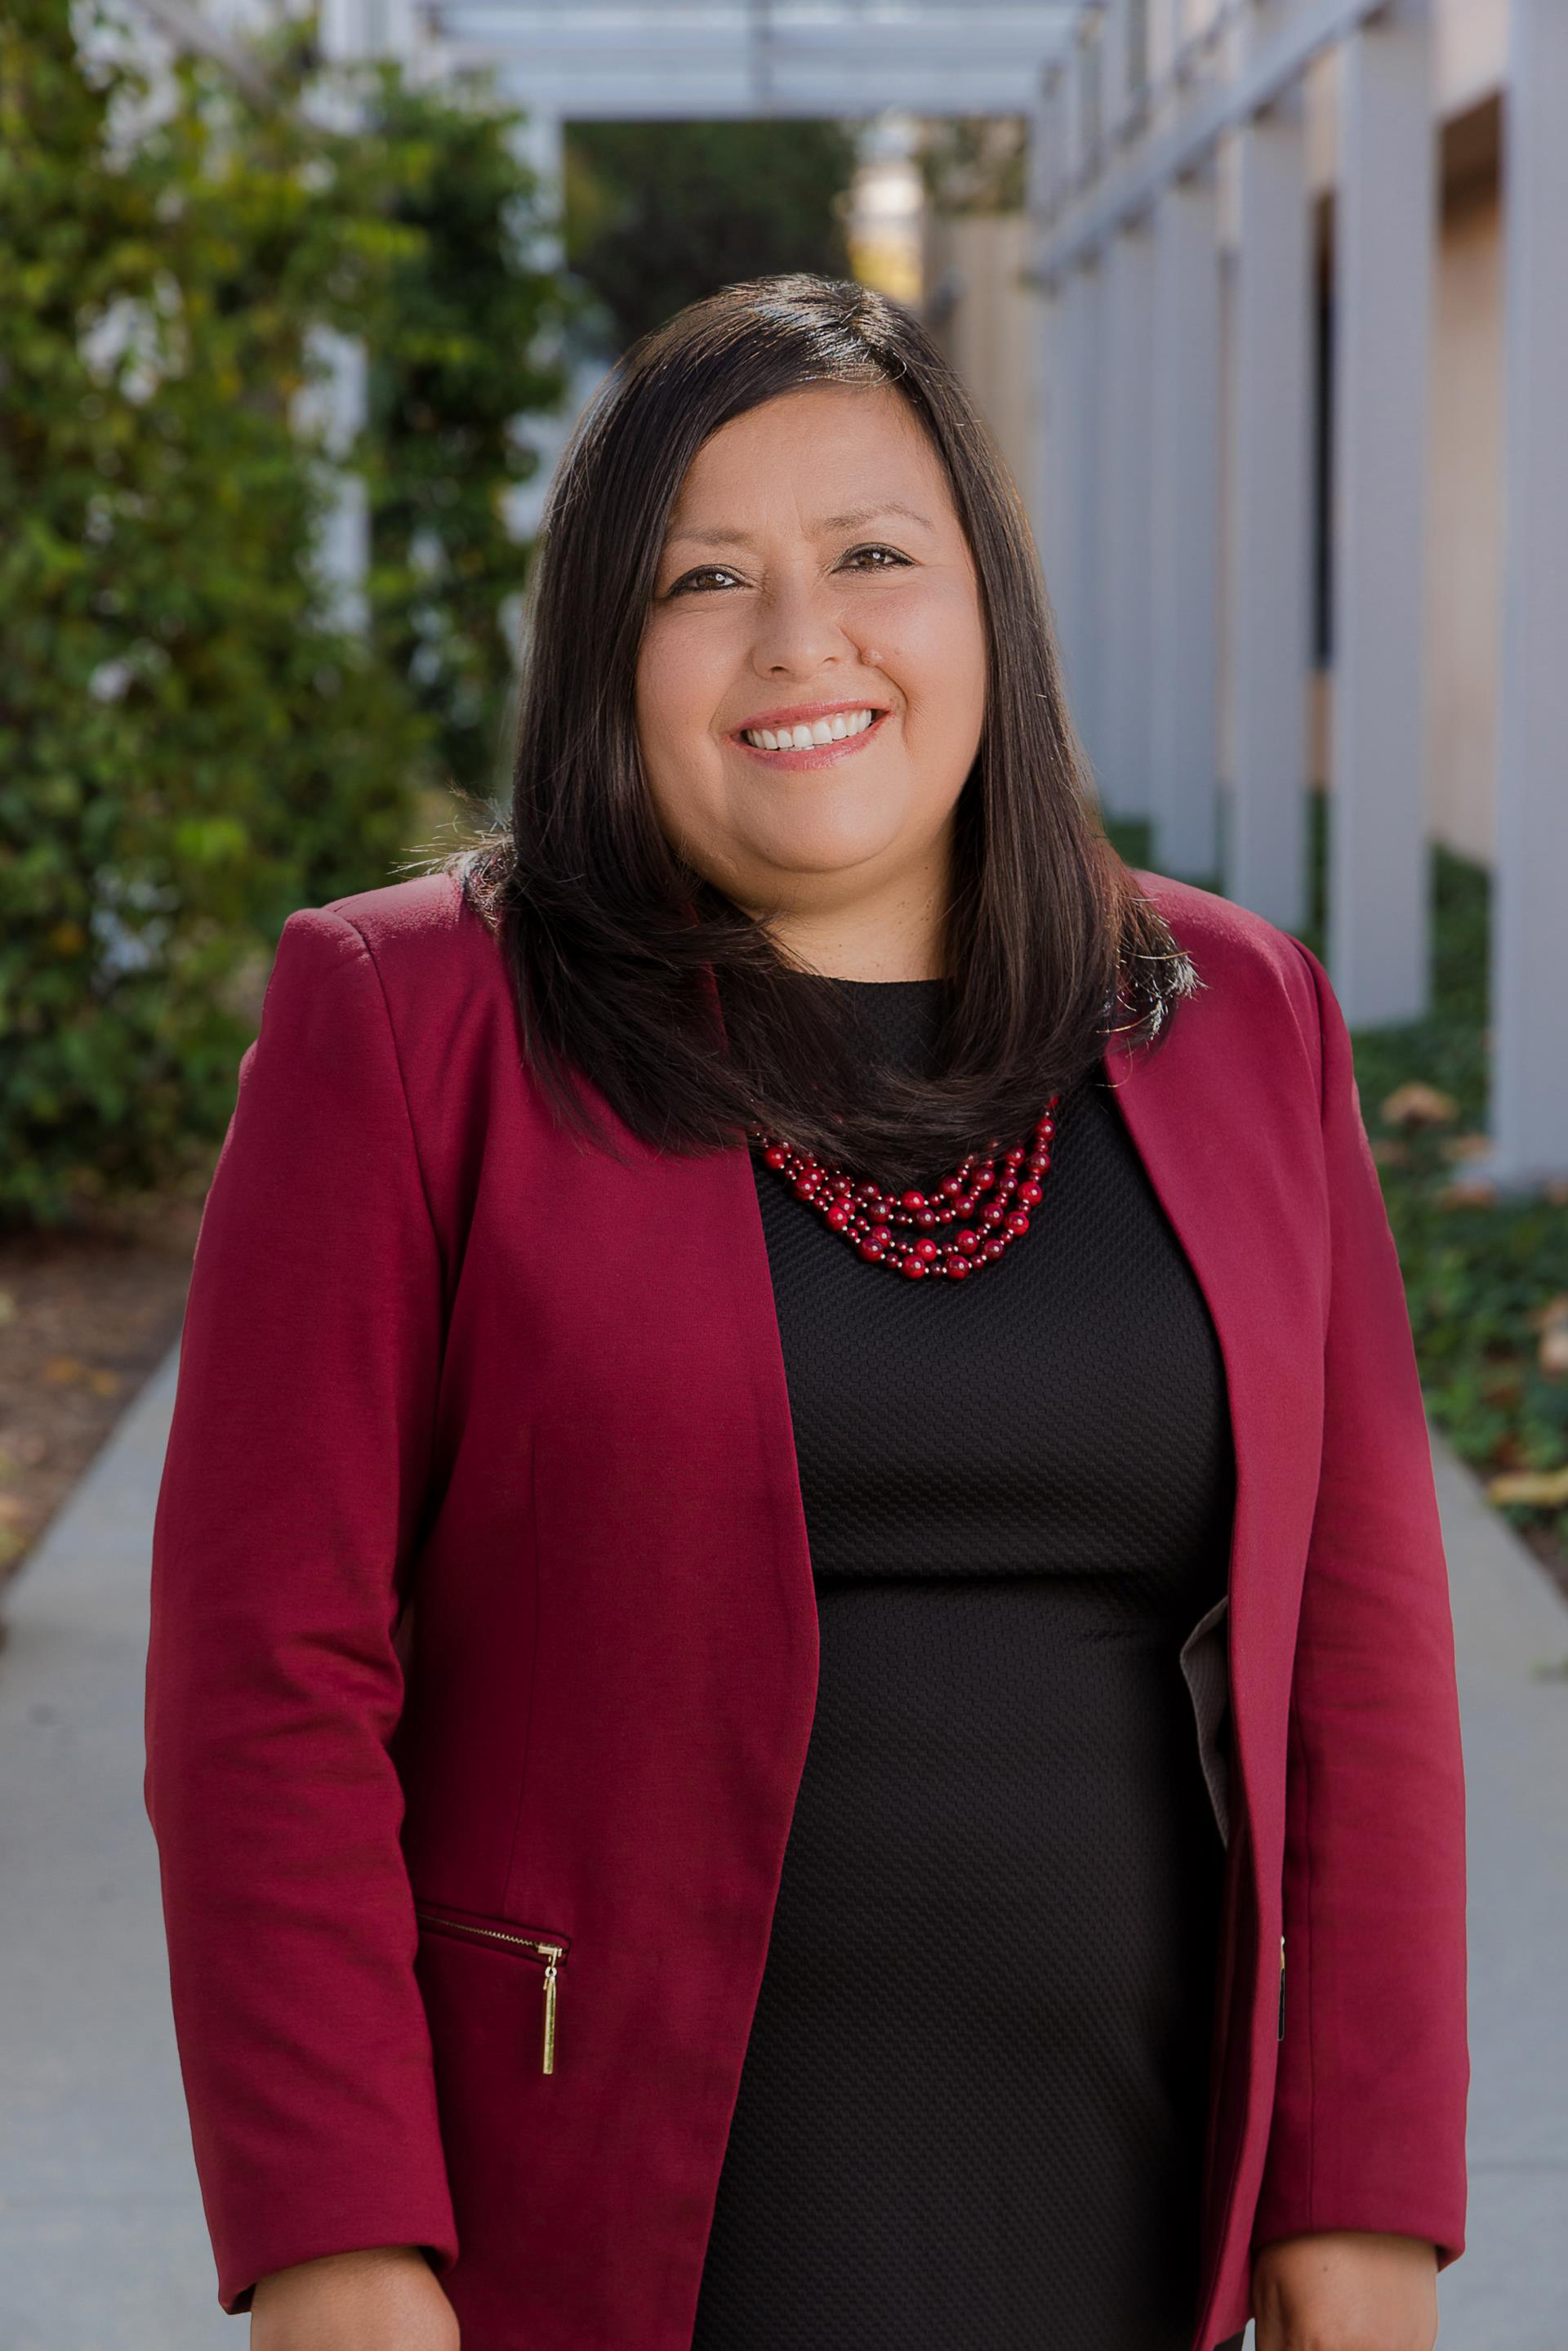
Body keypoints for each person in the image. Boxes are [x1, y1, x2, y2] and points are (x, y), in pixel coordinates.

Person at [144, 274, 1468, 2351]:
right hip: (598, 2211)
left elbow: (1367, 1650)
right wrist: (335, 2234)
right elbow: (265, 1670)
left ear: (986, 612)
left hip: (1137, 2198)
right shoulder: (409, 1019)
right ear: (607, 649)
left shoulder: (1241, 1016)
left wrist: (1366, 2178)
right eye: (704, 578)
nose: (801, 641)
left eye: (873, 555)